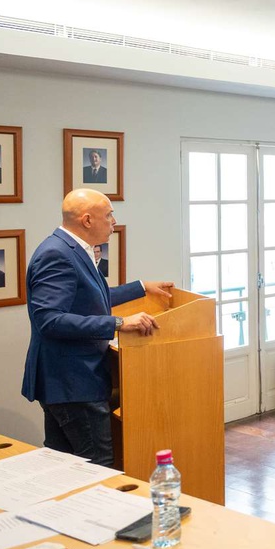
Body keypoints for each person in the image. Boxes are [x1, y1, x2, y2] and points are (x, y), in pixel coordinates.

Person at [21, 189, 174, 466]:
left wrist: (141, 288)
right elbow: (50, 320)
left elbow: (91, 298)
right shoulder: (57, 255)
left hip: (68, 381)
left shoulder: (72, 249)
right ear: (87, 220)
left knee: (64, 466)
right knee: (96, 466)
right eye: (109, 215)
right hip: (72, 382)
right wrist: (118, 323)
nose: (114, 221)